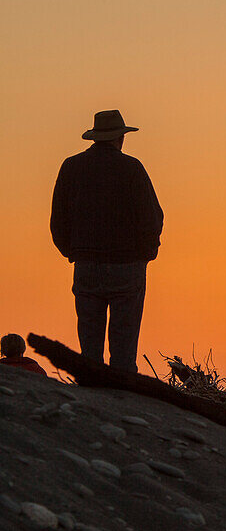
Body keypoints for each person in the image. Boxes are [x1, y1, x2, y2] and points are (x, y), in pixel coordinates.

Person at [50, 110, 163, 373]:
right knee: (124, 351)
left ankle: (93, 402)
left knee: (89, 348)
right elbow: (152, 216)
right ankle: (121, 403)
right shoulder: (132, 168)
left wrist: (73, 252)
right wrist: (146, 254)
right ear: (119, 138)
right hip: (127, 266)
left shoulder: (71, 167)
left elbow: (58, 219)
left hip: (87, 265)